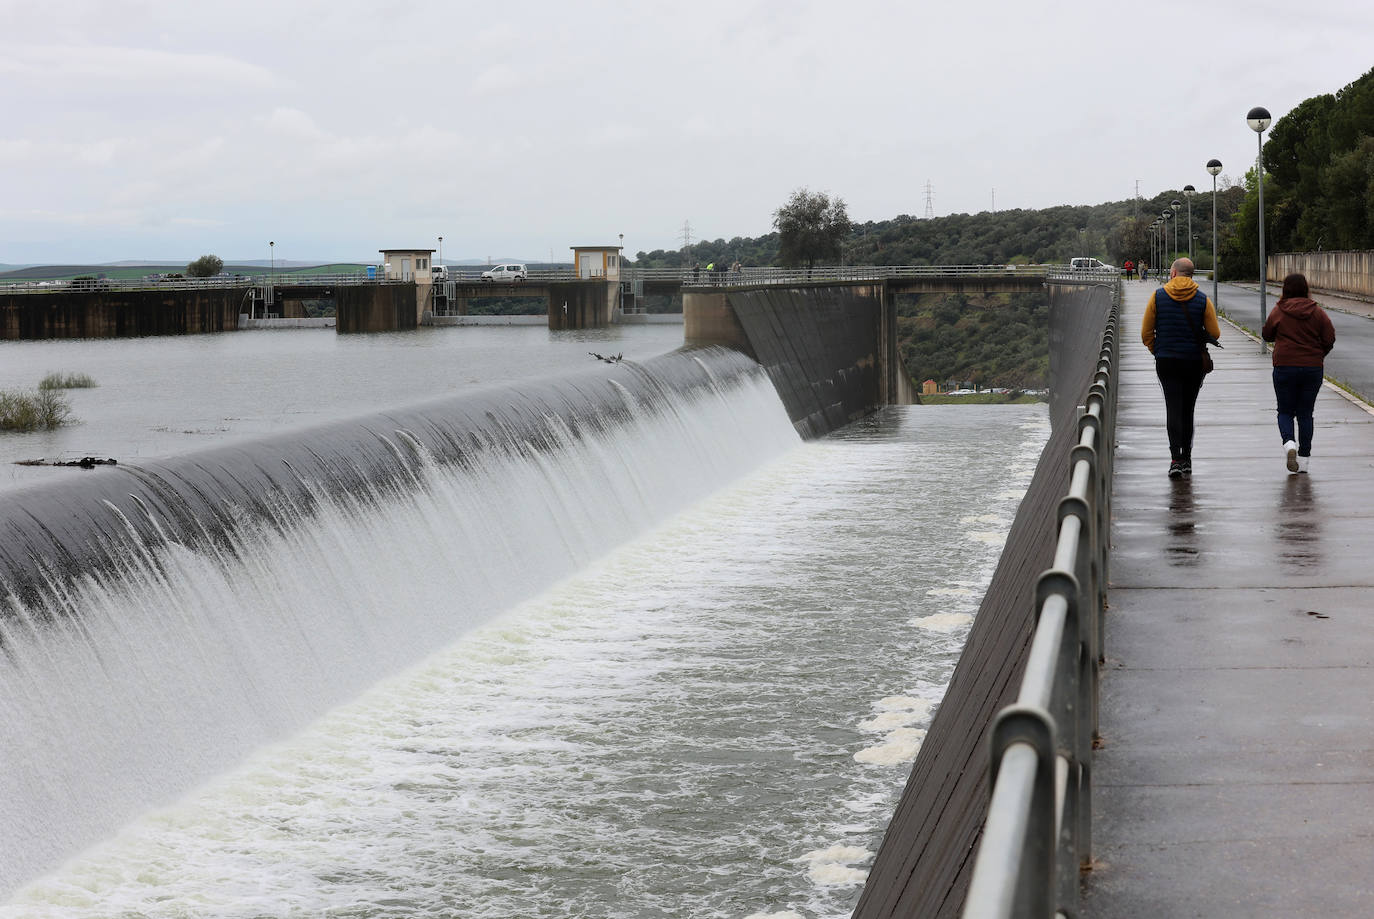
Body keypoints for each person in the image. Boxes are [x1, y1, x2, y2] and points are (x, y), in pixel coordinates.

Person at [1141, 257, 1221, 478]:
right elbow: (1215, 333)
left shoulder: (1157, 297)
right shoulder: (1203, 299)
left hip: (1166, 361)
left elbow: (1145, 332)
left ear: (1173, 273)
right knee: (1188, 409)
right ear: (1191, 275)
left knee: (1172, 408)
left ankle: (1175, 459)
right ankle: (1187, 458)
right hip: (1193, 361)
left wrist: (1156, 350)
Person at [1262, 272, 1335, 474]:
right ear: (1306, 288)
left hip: (1284, 366)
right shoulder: (1317, 312)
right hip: (1312, 368)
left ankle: (1289, 445)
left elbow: (1267, 334)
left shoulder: (1279, 310)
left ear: (1285, 289)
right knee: (1305, 413)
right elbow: (1329, 338)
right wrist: (1318, 354)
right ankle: (1304, 460)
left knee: (1285, 411)